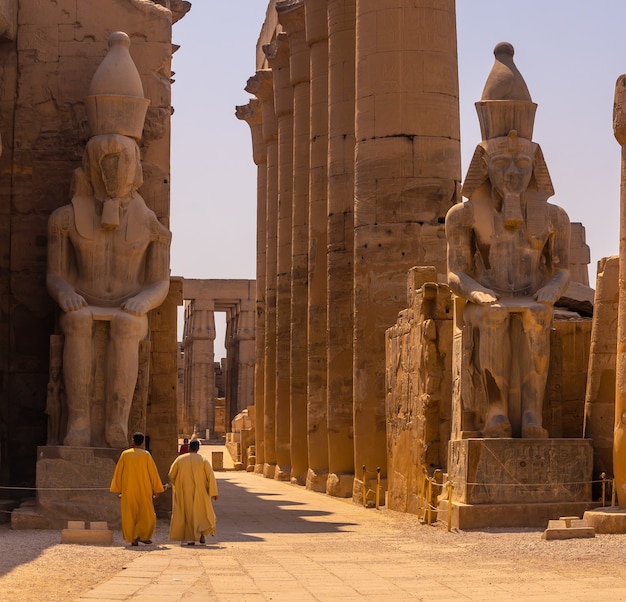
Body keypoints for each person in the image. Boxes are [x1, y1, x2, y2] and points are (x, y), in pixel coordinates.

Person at [445, 43, 570, 439]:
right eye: (502, 164)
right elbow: (455, 273)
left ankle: (532, 416)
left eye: (523, 164)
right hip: (487, 297)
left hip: (532, 295)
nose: (514, 173)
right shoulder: (464, 216)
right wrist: (477, 293)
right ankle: (496, 412)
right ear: (484, 165)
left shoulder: (553, 216)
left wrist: (550, 289)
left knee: (537, 319)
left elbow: (562, 268)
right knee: (495, 318)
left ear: (536, 166)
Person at [47, 133, 171, 447]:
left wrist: (143, 299)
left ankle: (117, 420)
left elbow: (159, 282)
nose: (113, 173)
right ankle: (79, 421)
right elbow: (56, 275)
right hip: (83, 301)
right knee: (77, 321)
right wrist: (65, 294)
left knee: (128, 325)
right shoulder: (65, 218)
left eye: (120, 163)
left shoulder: (150, 224)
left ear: (136, 169)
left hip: (129, 304)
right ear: (91, 167)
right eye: (106, 163)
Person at [110, 432, 164, 546]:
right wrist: (156, 489)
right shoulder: (146, 455)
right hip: (144, 489)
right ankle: (143, 535)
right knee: (146, 513)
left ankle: (133, 537)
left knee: (129, 514)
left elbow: (118, 472)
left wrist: (118, 489)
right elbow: (153, 473)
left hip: (128, 489)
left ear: (133, 441)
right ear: (143, 442)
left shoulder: (125, 454)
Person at [168, 439, 218, 545]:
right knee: (201, 513)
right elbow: (210, 476)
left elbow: (171, 474)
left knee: (186, 513)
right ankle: (201, 534)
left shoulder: (180, 459)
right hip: (201, 492)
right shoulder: (204, 460)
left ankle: (189, 536)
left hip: (183, 491)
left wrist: (177, 485)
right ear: (198, 449)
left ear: (189, 448)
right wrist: (213, 492)